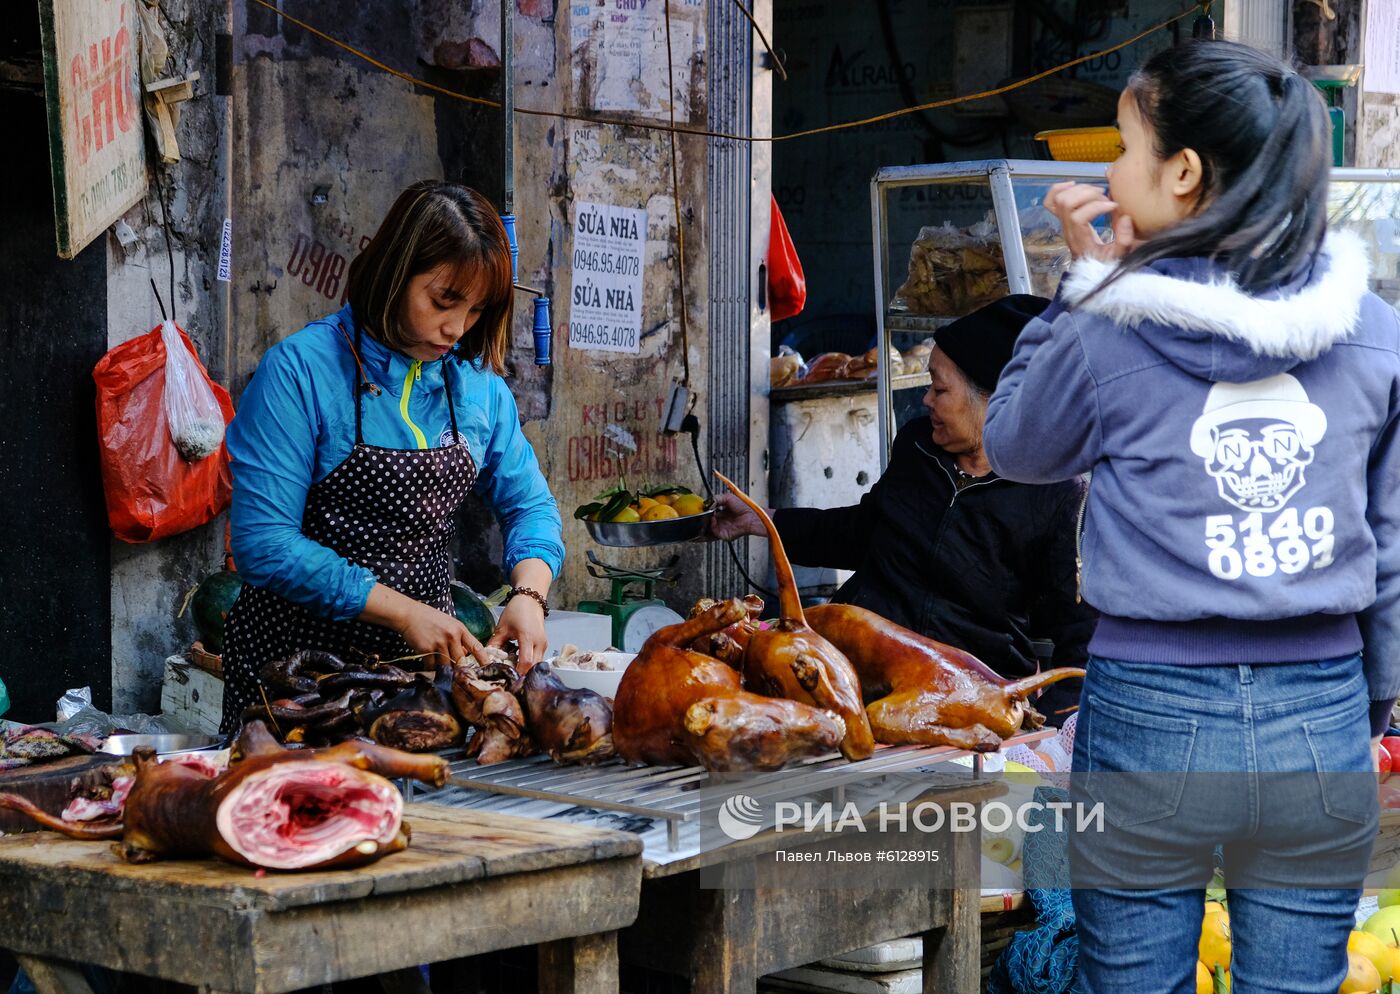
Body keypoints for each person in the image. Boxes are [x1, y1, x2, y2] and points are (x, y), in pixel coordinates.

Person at [982, 40, 1400, 993]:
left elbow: (1012, 446)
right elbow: (1394, 547)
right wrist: (1366, 702)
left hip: (1149, 715)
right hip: (1320, 709)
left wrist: (1077, 286)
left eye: (1124, 147)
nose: (1109, 174)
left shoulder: (1108, 328)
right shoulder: (1375, 332)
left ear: (1183, 172)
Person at [219, 181, 564, 733]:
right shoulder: (300, 372)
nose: (457, 327)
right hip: (296, 678)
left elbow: (531, 507)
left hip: (420, 680)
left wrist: (530, 594)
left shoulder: (479, 389)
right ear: (393, 274)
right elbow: (264, 543)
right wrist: (403, 612)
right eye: (442, 300)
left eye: (476, 309)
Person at [711, 295, 1096, 725]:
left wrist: (1052, 731)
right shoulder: (918, 446)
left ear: (995, 401)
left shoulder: (1058, 490)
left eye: (940, 388)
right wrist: (764, 521)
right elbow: (864, 532)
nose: (927, 399)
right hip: (854, 669)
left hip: (963, 696)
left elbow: (1080, 636)